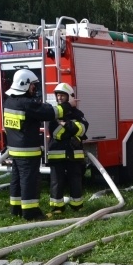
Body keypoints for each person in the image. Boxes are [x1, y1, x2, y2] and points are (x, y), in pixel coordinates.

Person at [3, 69, 75, 221]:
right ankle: (31, 213)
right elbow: (51, 112)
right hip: (27, 152)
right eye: (32, 86)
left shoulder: (9, 101)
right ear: (24, 85)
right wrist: (68, 105)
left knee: (16, 180)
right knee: (29, 182)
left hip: (14, 150)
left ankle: (15, 209)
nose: (34, 89)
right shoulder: (27, 104)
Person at [46, 83, 88, 214]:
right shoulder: (53, 113)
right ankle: (57, 207)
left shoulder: (78, 113)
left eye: (62, 95)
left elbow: (83, 128)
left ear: (69, 96)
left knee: (76, 180)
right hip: (57, 154)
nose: (59, 98)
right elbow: (56, 133)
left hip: (73, 154)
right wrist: (73, 130)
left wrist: (67, 125)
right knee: (56, 181)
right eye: (57, 95)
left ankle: (77, 205)